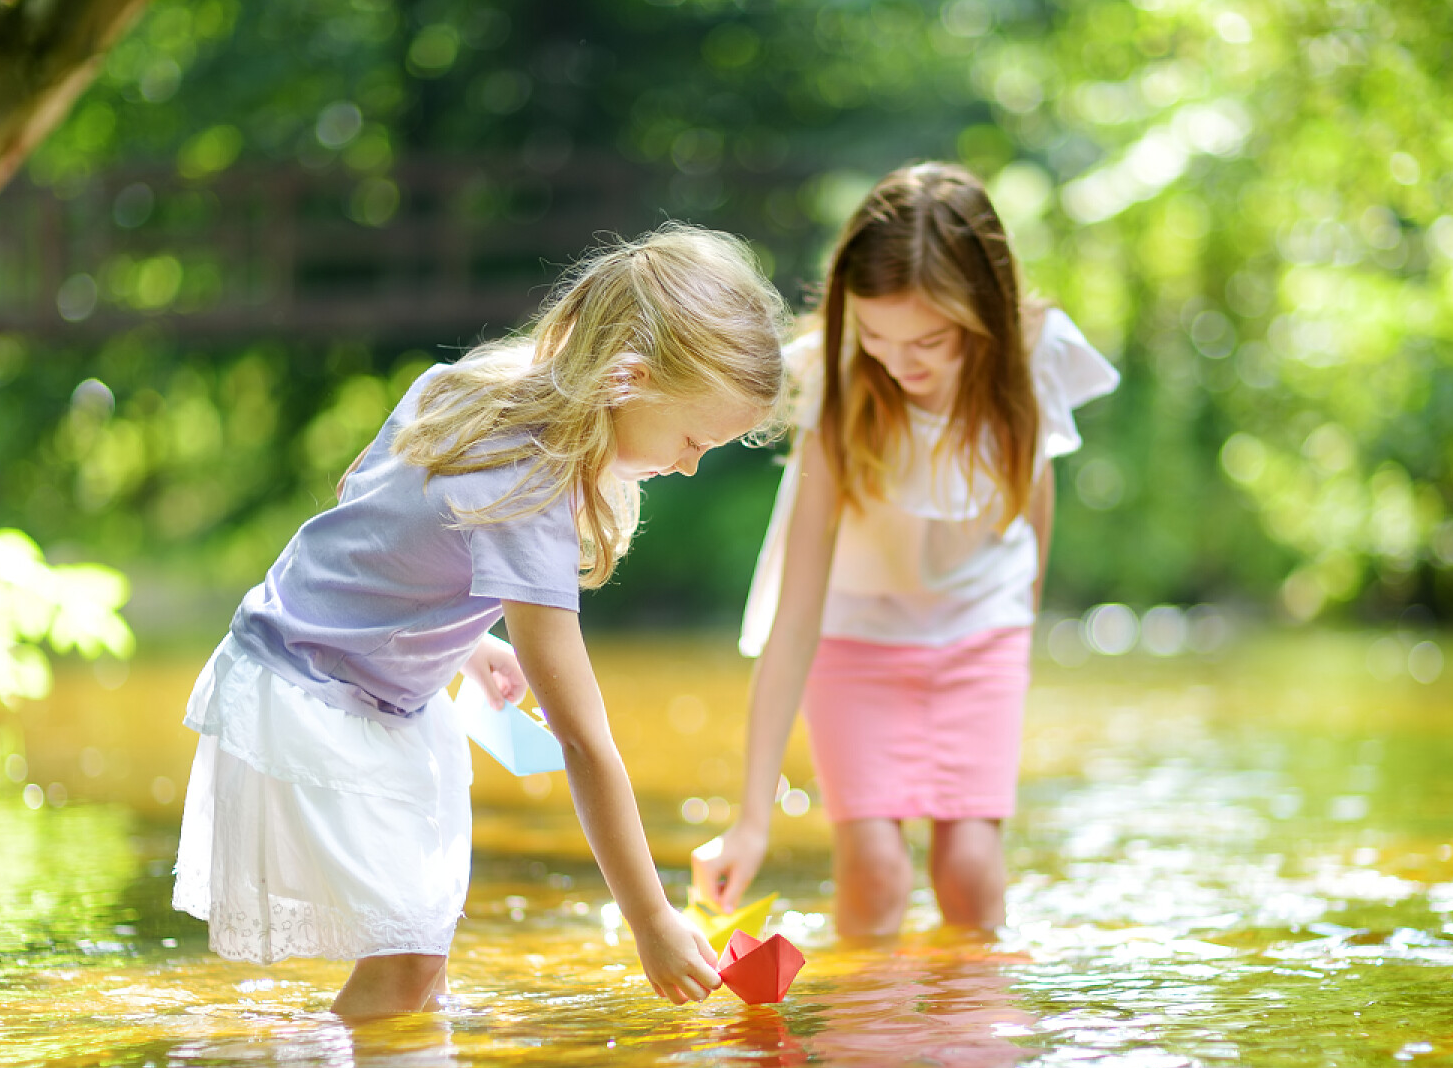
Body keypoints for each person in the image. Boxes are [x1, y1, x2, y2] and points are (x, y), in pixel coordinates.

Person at [173, 224, 787, 1016]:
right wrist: (650, 919)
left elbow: (367, 521)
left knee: (418, 963)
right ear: (627, 380)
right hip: (309, 692)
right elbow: (582, 741)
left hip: (353, 675)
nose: (690, 464)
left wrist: (466, 645)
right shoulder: (532, 492)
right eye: (694, 439)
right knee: (406, 968)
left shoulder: (481, 383)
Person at [691, 163, 1118, 937]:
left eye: (930, 340)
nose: (902, 363)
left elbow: (1036, 493)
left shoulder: (1034, 354)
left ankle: (974, 1046)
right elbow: (796, 611)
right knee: (878, 875)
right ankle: (872, 1049)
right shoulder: (840, 377)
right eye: (878, 337)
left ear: (985, 312)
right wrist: (751, 818)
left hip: (981, 627)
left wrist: (1018, 629)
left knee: (971, 874)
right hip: (855, 635)